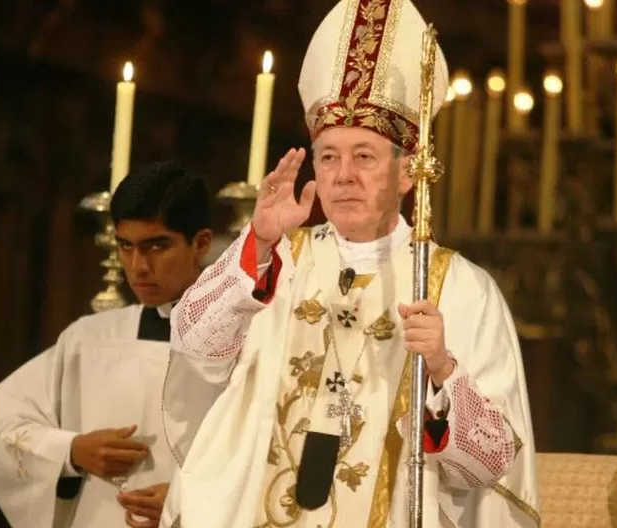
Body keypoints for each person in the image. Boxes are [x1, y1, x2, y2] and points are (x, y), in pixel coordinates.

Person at [158, 1, 539, 527]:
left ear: (408, 175)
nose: (342, 176)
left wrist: (444, 372)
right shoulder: (277, 260)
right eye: (328, 156)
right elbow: (195, 348)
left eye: (364, 156)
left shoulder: (461, 287)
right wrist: (259, 241)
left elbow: (493, 463)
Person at [0, 161, 213, 528]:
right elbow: (2, 433)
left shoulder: (248, 340)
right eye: (125, 246)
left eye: (157, 246)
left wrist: (192, 499)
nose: (138, 267)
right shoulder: (89, 339)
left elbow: (272, 452)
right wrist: (71, 451)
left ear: (200, 243)